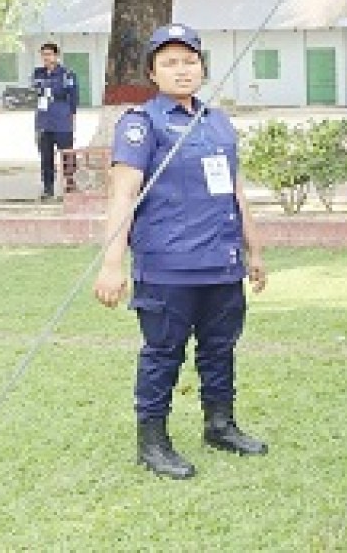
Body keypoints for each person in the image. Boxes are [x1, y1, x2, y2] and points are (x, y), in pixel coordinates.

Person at [93, 24, 268, 481]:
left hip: (221, 263)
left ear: (203, 66)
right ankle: (152, 441)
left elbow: (235, 190)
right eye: (169, 62)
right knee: (162, 353)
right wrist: (112, 265)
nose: (182, 69)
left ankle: (220, 424)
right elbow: (122, 194)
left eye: (189, 60)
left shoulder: (216, 120)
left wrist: (254, 250)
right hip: (168, 266)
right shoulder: (141, 124)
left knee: (219, 348)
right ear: (153, 72)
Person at [31, 42, 79, 200]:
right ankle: (48, 188)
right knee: (46, 156)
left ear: (56, 56)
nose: (46, 58)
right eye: (43, 54)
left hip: (62, 119)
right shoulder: (38, 73)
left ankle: (70, 183)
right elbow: (36, 91)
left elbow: (73, 96)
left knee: (67, 154)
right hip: (44, 120)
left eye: (49, 54)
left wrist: (72, 116)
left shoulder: (67, 74)